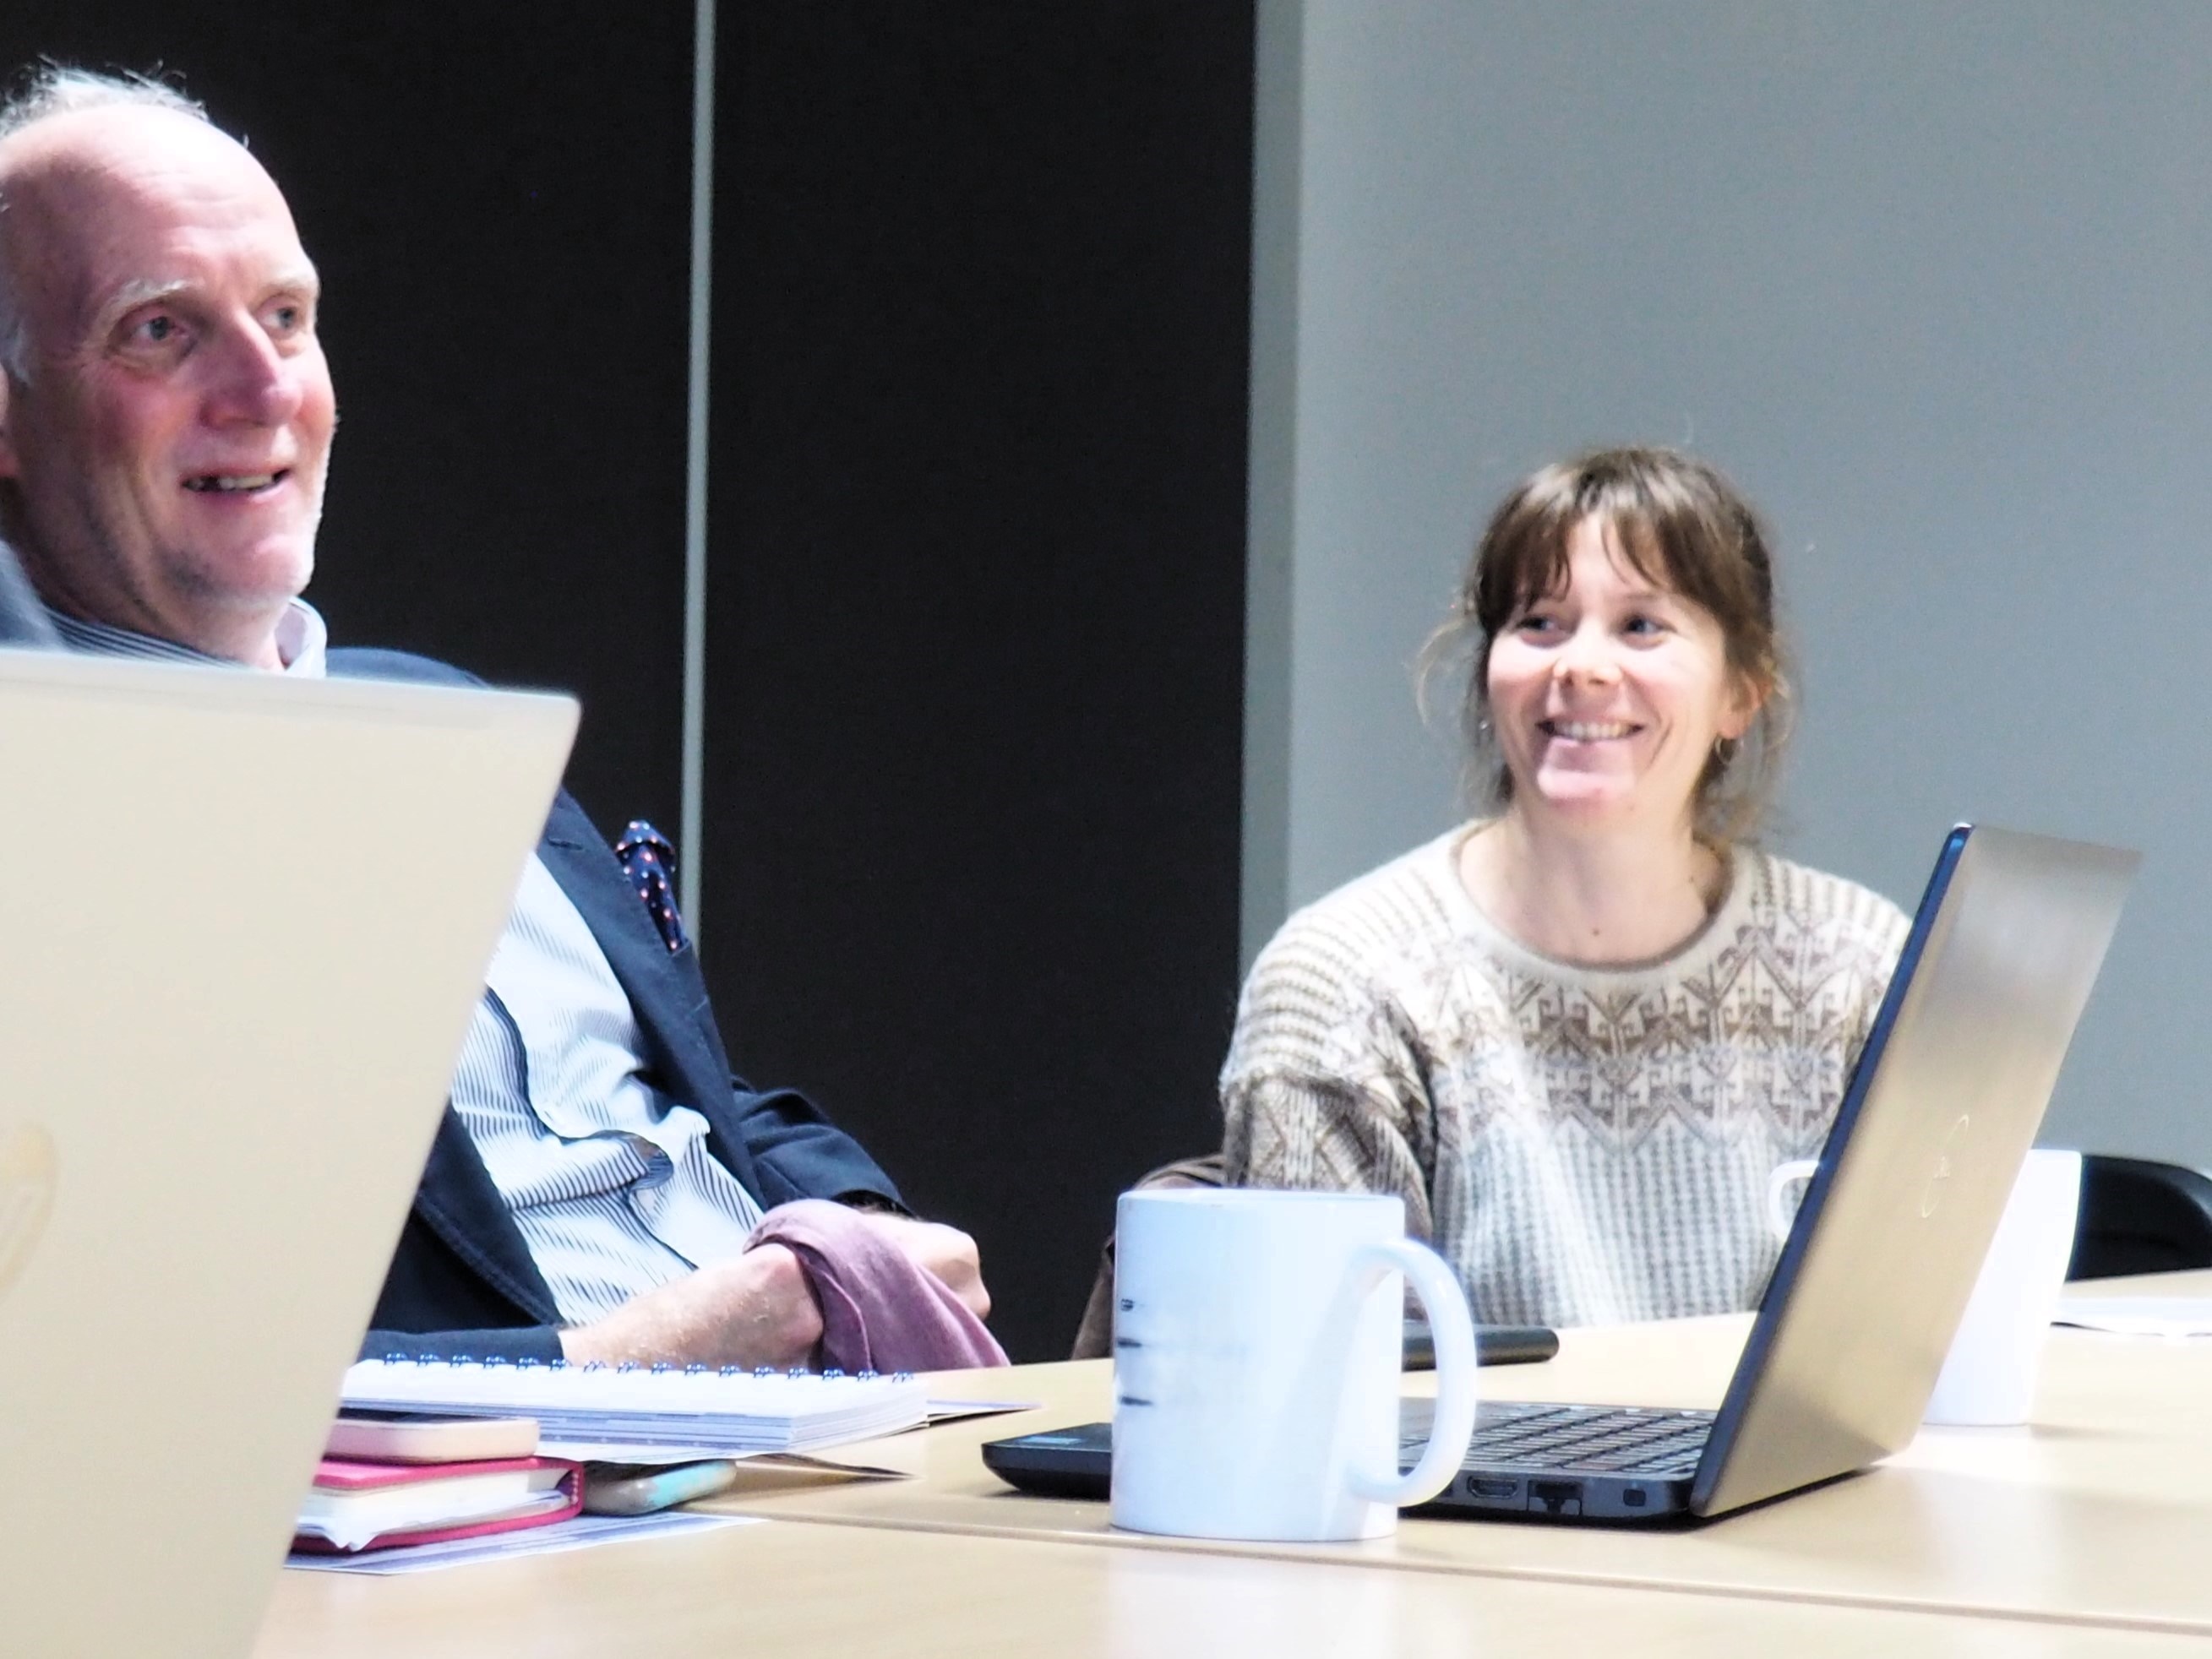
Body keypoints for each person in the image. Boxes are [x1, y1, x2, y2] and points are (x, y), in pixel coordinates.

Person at [0, 66, 993, 1367]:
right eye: (160, 332)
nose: (262, 388)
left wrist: (858, 1232)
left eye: (287, 317)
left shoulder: (441, 717)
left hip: (828, 1435)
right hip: (507, 1521)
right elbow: (138, 1382)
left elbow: (671, 1101)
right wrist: (681, 1346)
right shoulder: (42, 806)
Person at [1221, 447, 1909, 1328]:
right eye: (1539, 621)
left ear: (1741, 691)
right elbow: (1324, 1396)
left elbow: (1899, 1357)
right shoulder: (1344, 983)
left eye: (1640, 625)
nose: (1580, 666)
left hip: (1797, 1476)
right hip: (1450, 1468)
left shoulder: (1859, 962)